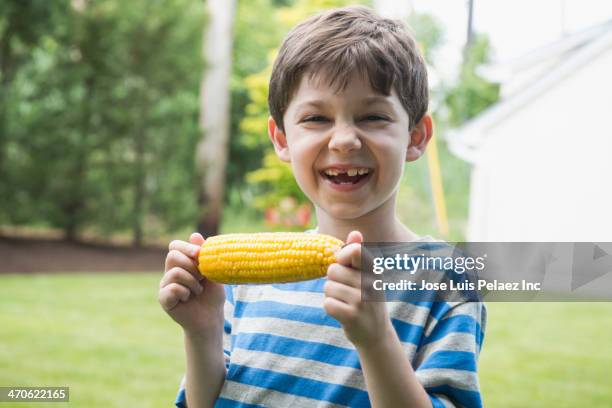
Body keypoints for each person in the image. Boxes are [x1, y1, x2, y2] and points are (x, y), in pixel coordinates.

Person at [159, 6, 486, 408]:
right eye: (316, 118)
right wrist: (201, 333)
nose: (345, 140)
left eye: (373, 116)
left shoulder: (446, 282)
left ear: (416, 136)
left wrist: (377, 340)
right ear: (281, 138)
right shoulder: (241, 286)